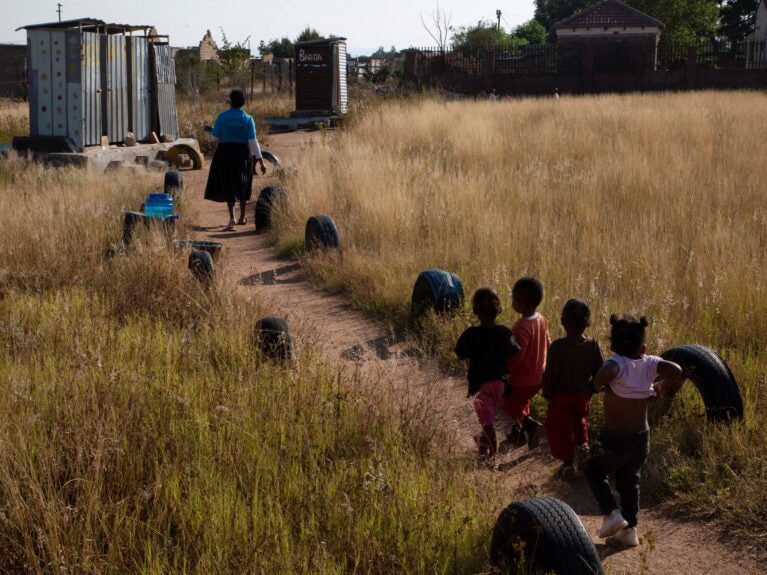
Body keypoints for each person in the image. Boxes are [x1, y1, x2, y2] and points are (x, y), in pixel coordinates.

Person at [583, 315, 682, 547]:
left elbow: (599, 380)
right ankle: (630, 531)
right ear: (644, 347)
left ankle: (611, 513)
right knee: (629, 481)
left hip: (614, 438)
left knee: (593, 469)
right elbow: (676, 369)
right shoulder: (650, 363)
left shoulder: (615, 364)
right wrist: (660, 386)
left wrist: (599, 383)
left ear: (612, 346)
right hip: (641, 439)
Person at [455, 288, 520, 463]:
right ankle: (483, 445)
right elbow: (514, 351)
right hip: (500, 384)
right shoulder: (505, 332)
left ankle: (493, 455)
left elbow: (460, 354)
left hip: (480, 386)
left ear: (475, 311)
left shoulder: (471, 334)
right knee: (488, 417)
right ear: (499, 310)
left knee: (487, 422)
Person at [542, 299, 604, 480]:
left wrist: (547, 393)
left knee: (560, 430)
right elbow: (602, 370)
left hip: (562, 397)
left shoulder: (558, 347)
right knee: (579, 420)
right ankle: (583, 446)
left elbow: (550, 374)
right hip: (583, 395)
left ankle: (568, 464)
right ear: (587, 323)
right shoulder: (593, 345)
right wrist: (592, 388)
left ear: (562, 321)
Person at [500, 277, 551, 451]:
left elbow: (517, 354)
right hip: (538, 377)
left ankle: (530, 426)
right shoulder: (541, 319)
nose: (512, 302)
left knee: (509, 403)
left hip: (522, 379)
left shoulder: (521, 326)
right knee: (522, 402)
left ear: (522, 303)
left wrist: (506, 370)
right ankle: (518, 434)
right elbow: (548, 342)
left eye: (514, 299)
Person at [204, 89, 266, 231]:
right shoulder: (248, 119)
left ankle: (231, 218)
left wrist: (216, 132)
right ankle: (242, 217)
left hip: (225, 152)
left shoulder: (222, 117)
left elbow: (214, 138)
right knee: (243, 183)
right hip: (243, 153)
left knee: (228, 183)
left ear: (231, 101)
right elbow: (252, 141)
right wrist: (260, 160)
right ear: (243, 102)